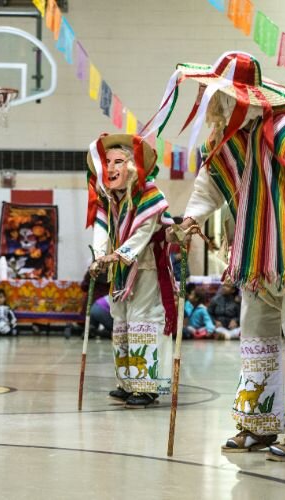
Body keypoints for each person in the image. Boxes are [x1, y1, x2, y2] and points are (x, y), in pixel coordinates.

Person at [148, 52, 285, 460]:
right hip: (254, 251)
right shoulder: (224, 143)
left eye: (220, 94)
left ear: (243, 99)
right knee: (258, 335)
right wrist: (191, 221)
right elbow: (208, 187)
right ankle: (260, 422)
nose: (211, 103)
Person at [86, 133, 176, 409]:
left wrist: (120, 254)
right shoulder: (107, 197)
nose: (111, 168)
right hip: (119, 271)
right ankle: (127, 382)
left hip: (146, 267)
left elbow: (144, 232)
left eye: (118, 162)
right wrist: (99, 257)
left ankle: (147, 386)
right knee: (121, 323)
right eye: (107, 162)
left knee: (143, 321)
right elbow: (102, 229)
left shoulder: (150, 193)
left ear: (133, 165)